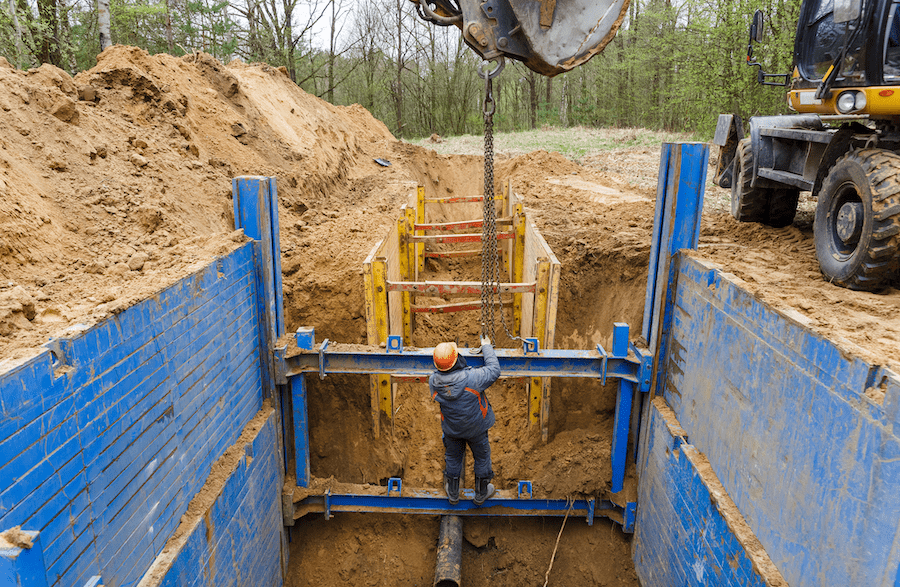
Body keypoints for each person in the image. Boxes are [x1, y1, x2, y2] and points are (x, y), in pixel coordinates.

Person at [429, 336, 501, 506]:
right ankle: (481, 493)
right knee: (482, 458)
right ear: (456, 360)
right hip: (476, 428)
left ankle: (453, 493)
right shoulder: (473, 378)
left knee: (453, 458)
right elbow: (494, 370)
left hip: (452, 429)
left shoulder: (434, 381)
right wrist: (487, 347)